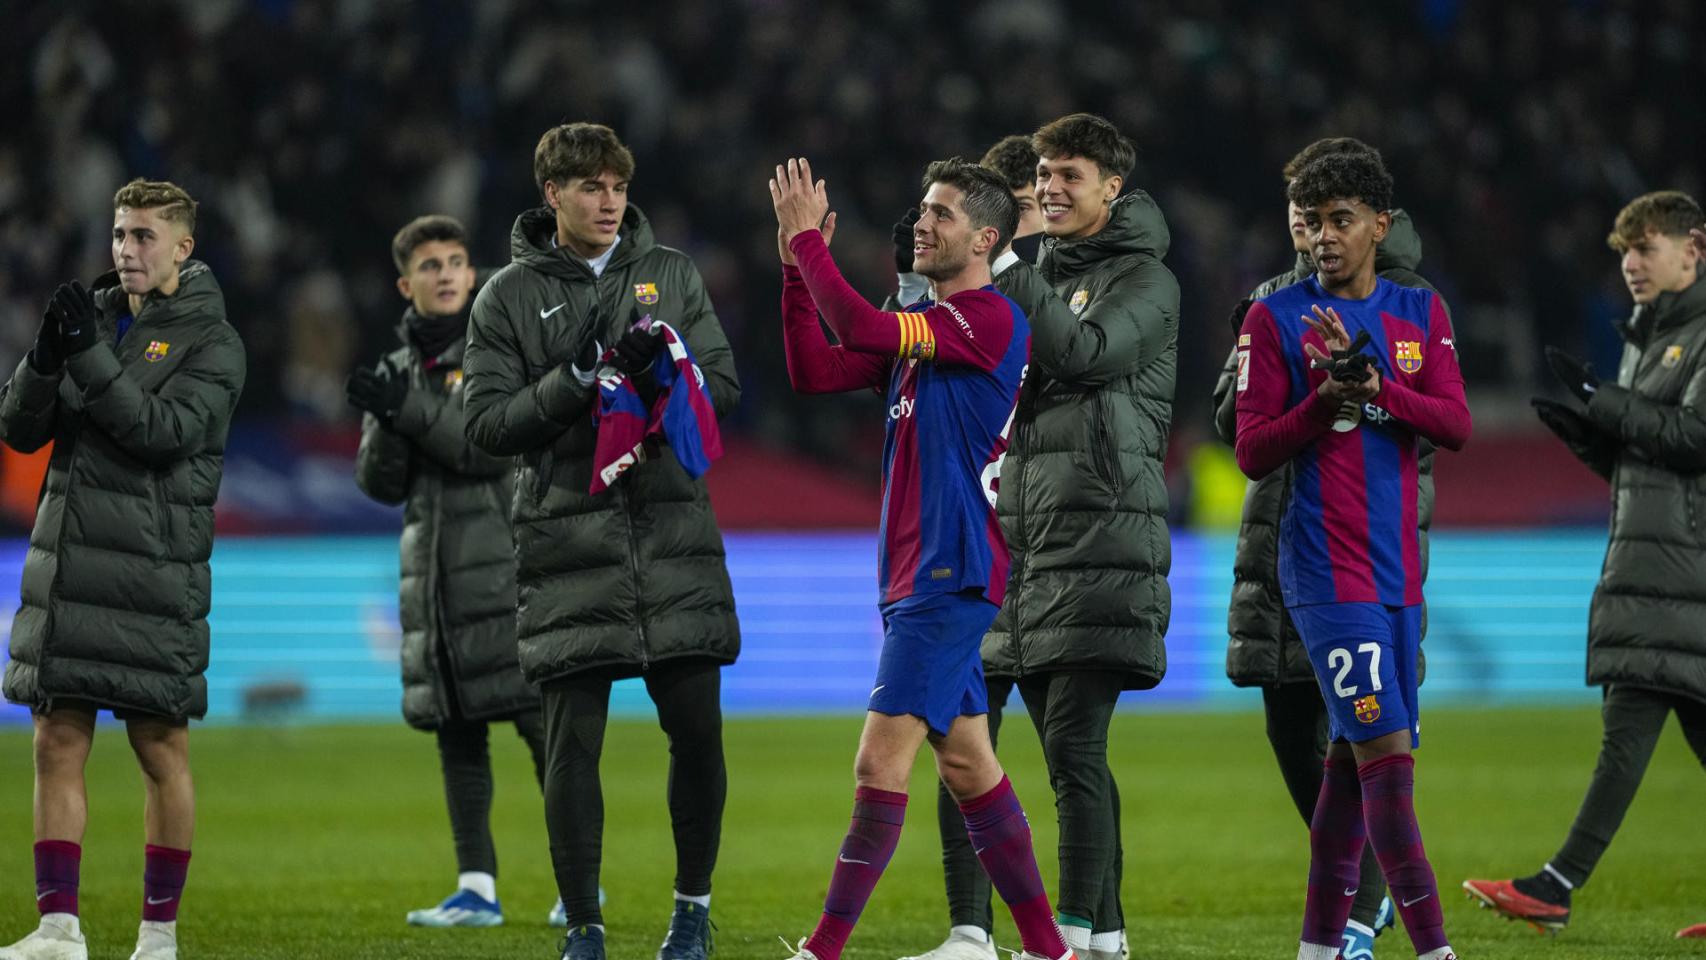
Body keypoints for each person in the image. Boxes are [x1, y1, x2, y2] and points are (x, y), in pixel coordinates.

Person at [771, 155, 1072, 960]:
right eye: (921, 210)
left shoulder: (985, 320)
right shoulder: (923, 329)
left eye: (940, 215)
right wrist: (796, 276)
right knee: (971, 766)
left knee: (879, 761)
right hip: (914, 573)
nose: (922, 225)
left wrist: (809, 245)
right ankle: (1051, 952)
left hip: (951, 568)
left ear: (985, 239)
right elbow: (816, 370)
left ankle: (822, 950)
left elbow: (862, 328)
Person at [462, 122, 740, 960]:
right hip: (566, 545)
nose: (609, 200)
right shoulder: (505, 297)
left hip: (671, 535)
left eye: (617, 184)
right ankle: (583, 928)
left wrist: (669, 376)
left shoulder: (671, 275)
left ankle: (691, 916)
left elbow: (722, 385)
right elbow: (484, 425)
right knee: (570, 748)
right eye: (590, 186)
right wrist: (575, 380)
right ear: (552, 195)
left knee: (697, 736)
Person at [0, 179, 246, 960]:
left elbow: (160, 431)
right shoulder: (95, 321)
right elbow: (18, 429)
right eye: (118, 234)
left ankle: (158, 934)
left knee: (159, 748)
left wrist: (86, 357)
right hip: (71, 565)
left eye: (144, 237)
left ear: (183, 247)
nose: (126, 250)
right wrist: (43, 358)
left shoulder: (215, 343)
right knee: (54, 742)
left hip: (150, 570)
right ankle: (59, 928)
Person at [1210, 136, 1441, 960]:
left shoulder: (1417, 306)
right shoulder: (1271, 305)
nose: (1314, 233)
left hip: (1379, 559)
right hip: (1287, 556)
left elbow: (1445, 426)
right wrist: (1254, 366)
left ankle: (1356, 920)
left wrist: (1377, 387)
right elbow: (1234, 431)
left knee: (1364, 746)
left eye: (1333, 216)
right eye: (1303, 217)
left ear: (1377, 221)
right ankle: (1353, 922)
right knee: (1309, 741)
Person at [1464, 191, 1706, 942]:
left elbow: (1696, 441)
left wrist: (1606, 402)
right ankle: (1556, 884)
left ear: (1695, 249)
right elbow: (1652, 463)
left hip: (1682, 569)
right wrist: (1587, 435)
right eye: (1626, 251)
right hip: (1657, 565)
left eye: (1648, 247)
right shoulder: (1650, 337)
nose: (1632, 264)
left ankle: (1557, 883)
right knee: (1640, 724)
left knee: (1627, 726)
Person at [982, 112, 1180, 960]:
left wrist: (1006, 266)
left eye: (1070, 176)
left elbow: (1085, 353)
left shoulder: (1146, 280)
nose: (1052, 188)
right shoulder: (1033, 273)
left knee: (1072, 744)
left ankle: (1063, 934)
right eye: (1045, 174)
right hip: (1031, 537)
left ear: (1112, 190)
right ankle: (1106, 936)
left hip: (1104, 530)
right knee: (1072, 755)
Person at [348, 214, 561, 928]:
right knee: (459, 737)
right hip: (435, 586)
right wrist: (385, 417)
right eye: (430, 265)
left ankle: (576, 886)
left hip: (507, 574)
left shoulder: (501, 350)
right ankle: (477, 889)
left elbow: (488, 449)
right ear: (406, 284)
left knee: (544, 734)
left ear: (473, 276)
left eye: (456, 262)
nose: (445, 274)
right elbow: (381, 484)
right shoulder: (400, 370)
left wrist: (405, 410)